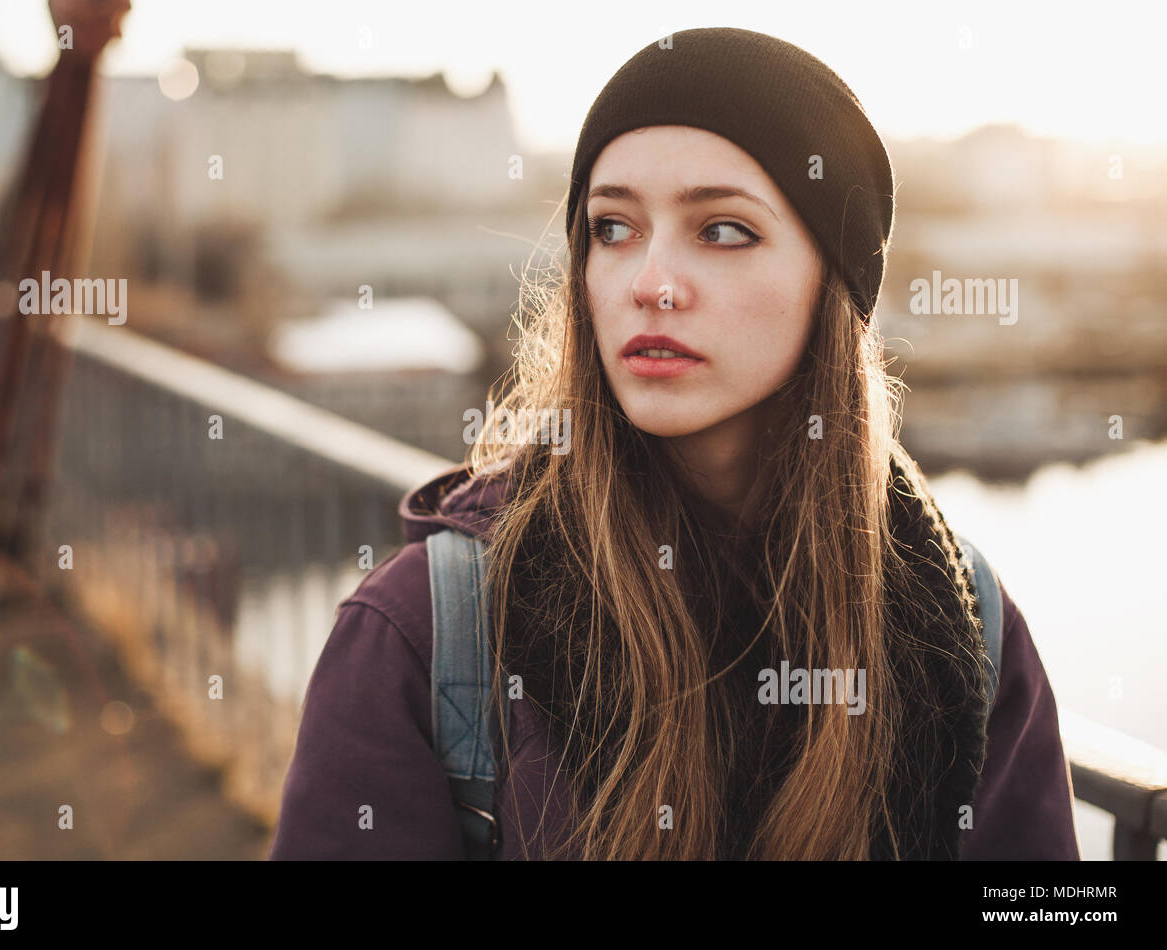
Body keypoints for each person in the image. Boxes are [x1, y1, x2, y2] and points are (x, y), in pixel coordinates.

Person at [269, 27, 1081, 860]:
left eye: (723, 230)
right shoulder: (425, 633)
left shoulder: (959, 619)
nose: (648, 282)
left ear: (833, 282)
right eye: (613, 228)